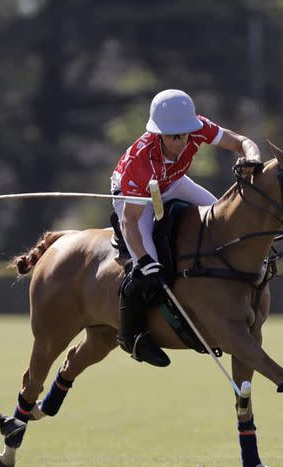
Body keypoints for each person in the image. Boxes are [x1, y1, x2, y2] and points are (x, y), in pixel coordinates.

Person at [110, 89, 262, 367]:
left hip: (174, 182)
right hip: (138, 196)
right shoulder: (139, 163)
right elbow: (129, 220)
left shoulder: (198, 128)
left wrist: (251, 157)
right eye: (173, 136)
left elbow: (242, 142)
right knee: (147, 268)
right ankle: (132, 336)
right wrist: (144, 259)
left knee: (222, 221)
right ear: (159, 134)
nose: (181, 141)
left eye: (185, 134)